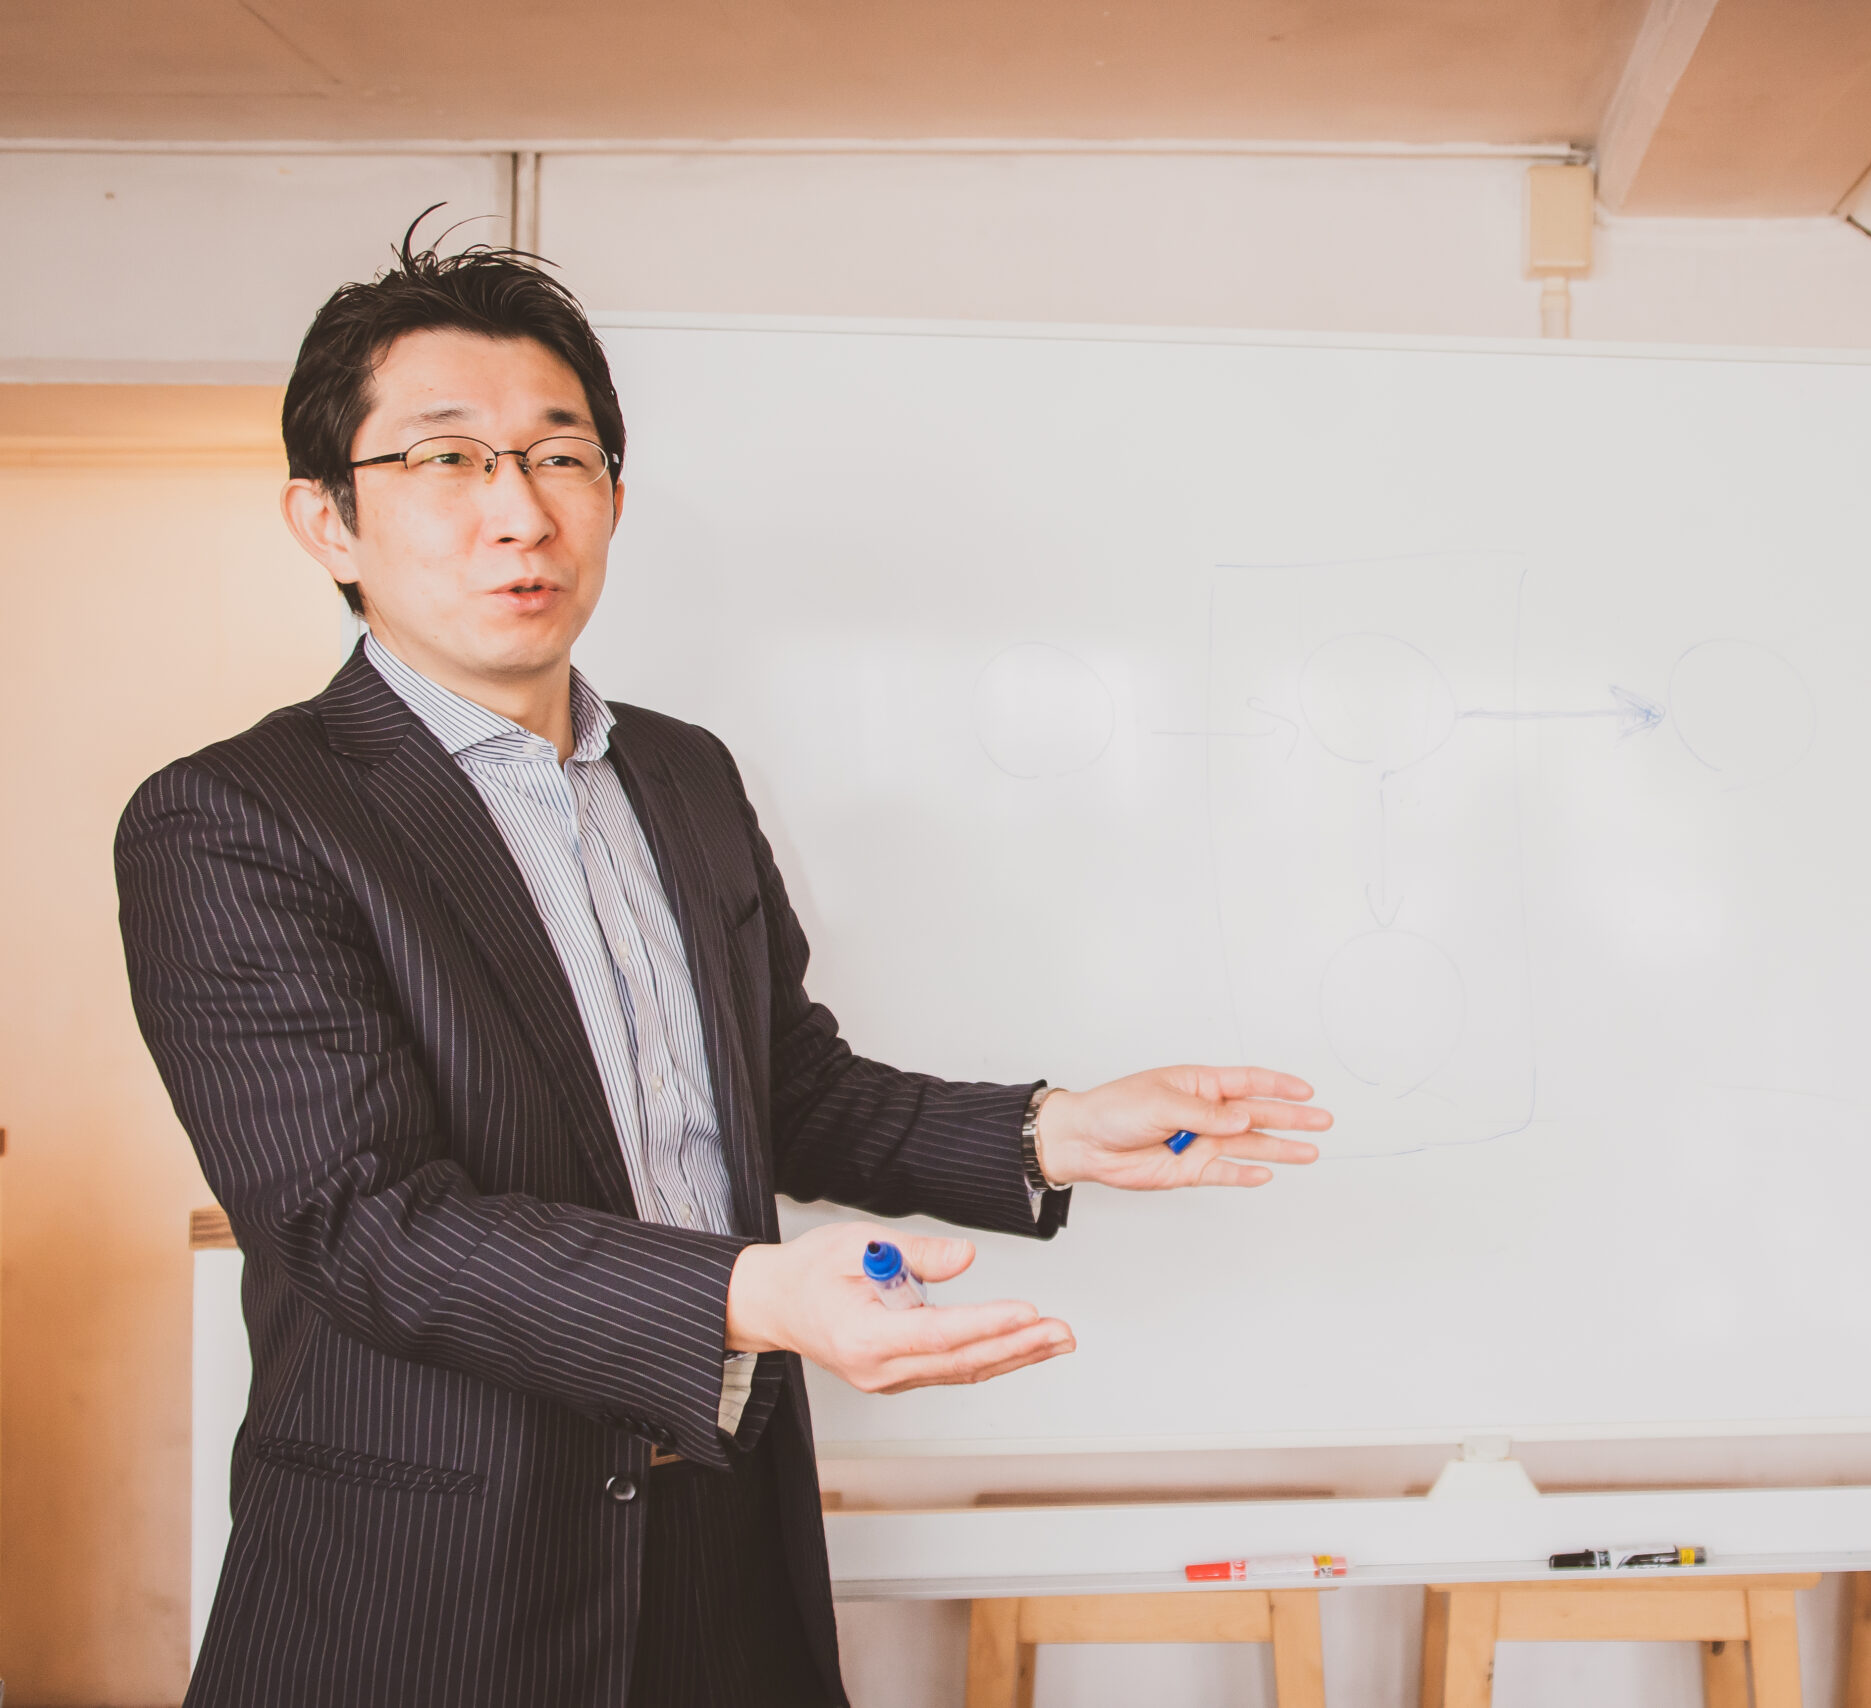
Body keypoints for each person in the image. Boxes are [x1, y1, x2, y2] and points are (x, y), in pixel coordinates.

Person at [115, 221, 1330, 1708]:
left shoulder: (681, 775)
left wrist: (1048, 1131)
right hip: (435, 1579)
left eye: (560, 456)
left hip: (724, 1536)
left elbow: (783, 1091)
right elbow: (362, 1224)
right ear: (327, 521)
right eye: (445, 458)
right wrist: (755, 1295)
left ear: (614, 497)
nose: (519, 512)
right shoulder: (237, 818)